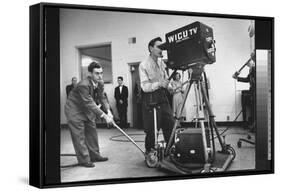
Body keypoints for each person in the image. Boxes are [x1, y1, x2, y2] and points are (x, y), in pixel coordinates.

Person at [64, 62, 114, 168]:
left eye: (101, 73)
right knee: (79, 136)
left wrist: (108, 111)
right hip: (74, 110)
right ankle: (84, 160)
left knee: (92, 133)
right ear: (90, 73)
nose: (100, 76)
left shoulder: (100, 83)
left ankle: (95, 156)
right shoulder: (83, 85)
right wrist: (104, 116)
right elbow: (89, 102)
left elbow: (102, 97)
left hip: (86, 110)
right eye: (97, 73)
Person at [139, 37, 174, 155]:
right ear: (151, 48)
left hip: (163, 97)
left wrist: (170, 88)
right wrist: (159, 84)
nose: (161, 50)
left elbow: (165, 80)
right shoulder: (143, 65)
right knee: (152, 128)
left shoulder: (161, 63)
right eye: (159, 47)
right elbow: (144, 86)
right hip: (150, 99)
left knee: (170, 123)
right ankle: (149, 152)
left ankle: (170, 150)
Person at [233, 53, 256, 130]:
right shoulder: (252, 69)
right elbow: (247, 79)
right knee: (253, 108)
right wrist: (237, 78)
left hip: (258, 92)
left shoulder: (256, 68)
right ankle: (252, 125)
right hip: (253, 91)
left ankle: (255, 125)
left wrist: (252, 67)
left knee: (256, 109)